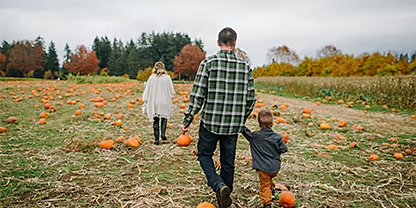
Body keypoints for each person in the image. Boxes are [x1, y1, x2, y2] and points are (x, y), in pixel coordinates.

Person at [181, 27, 256, 208]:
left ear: (218, 42)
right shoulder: (245, 67)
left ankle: (218, 185)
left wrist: (188, 119)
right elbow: (251, 99)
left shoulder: (208, 63)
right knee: (228, 162)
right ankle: (225, 196)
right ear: (235, 44)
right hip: (233, 126)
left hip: (210, 123)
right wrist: (241, 117)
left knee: (204, 154)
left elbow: (197, 94)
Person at [241, 109, 288, 208]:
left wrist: (241, 125)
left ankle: (267, 204)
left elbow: (246, 132)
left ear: (258, 124)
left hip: (263, 169)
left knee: (264, 186)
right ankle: (272, 191)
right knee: (270, 179)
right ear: (272, 123)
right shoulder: (277, 137)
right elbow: (284, 149)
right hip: (275, 167)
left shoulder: (255, 136)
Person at [142, 61, 175, 145]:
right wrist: (171, 96)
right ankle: (163, 134)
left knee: (155, 120)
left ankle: (156, 139)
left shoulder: (152, 78)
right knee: (164, 118)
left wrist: (145, 99)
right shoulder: (167, 78)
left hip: (154, 101)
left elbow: (147, 89)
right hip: (164, 101)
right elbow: (171, 90)